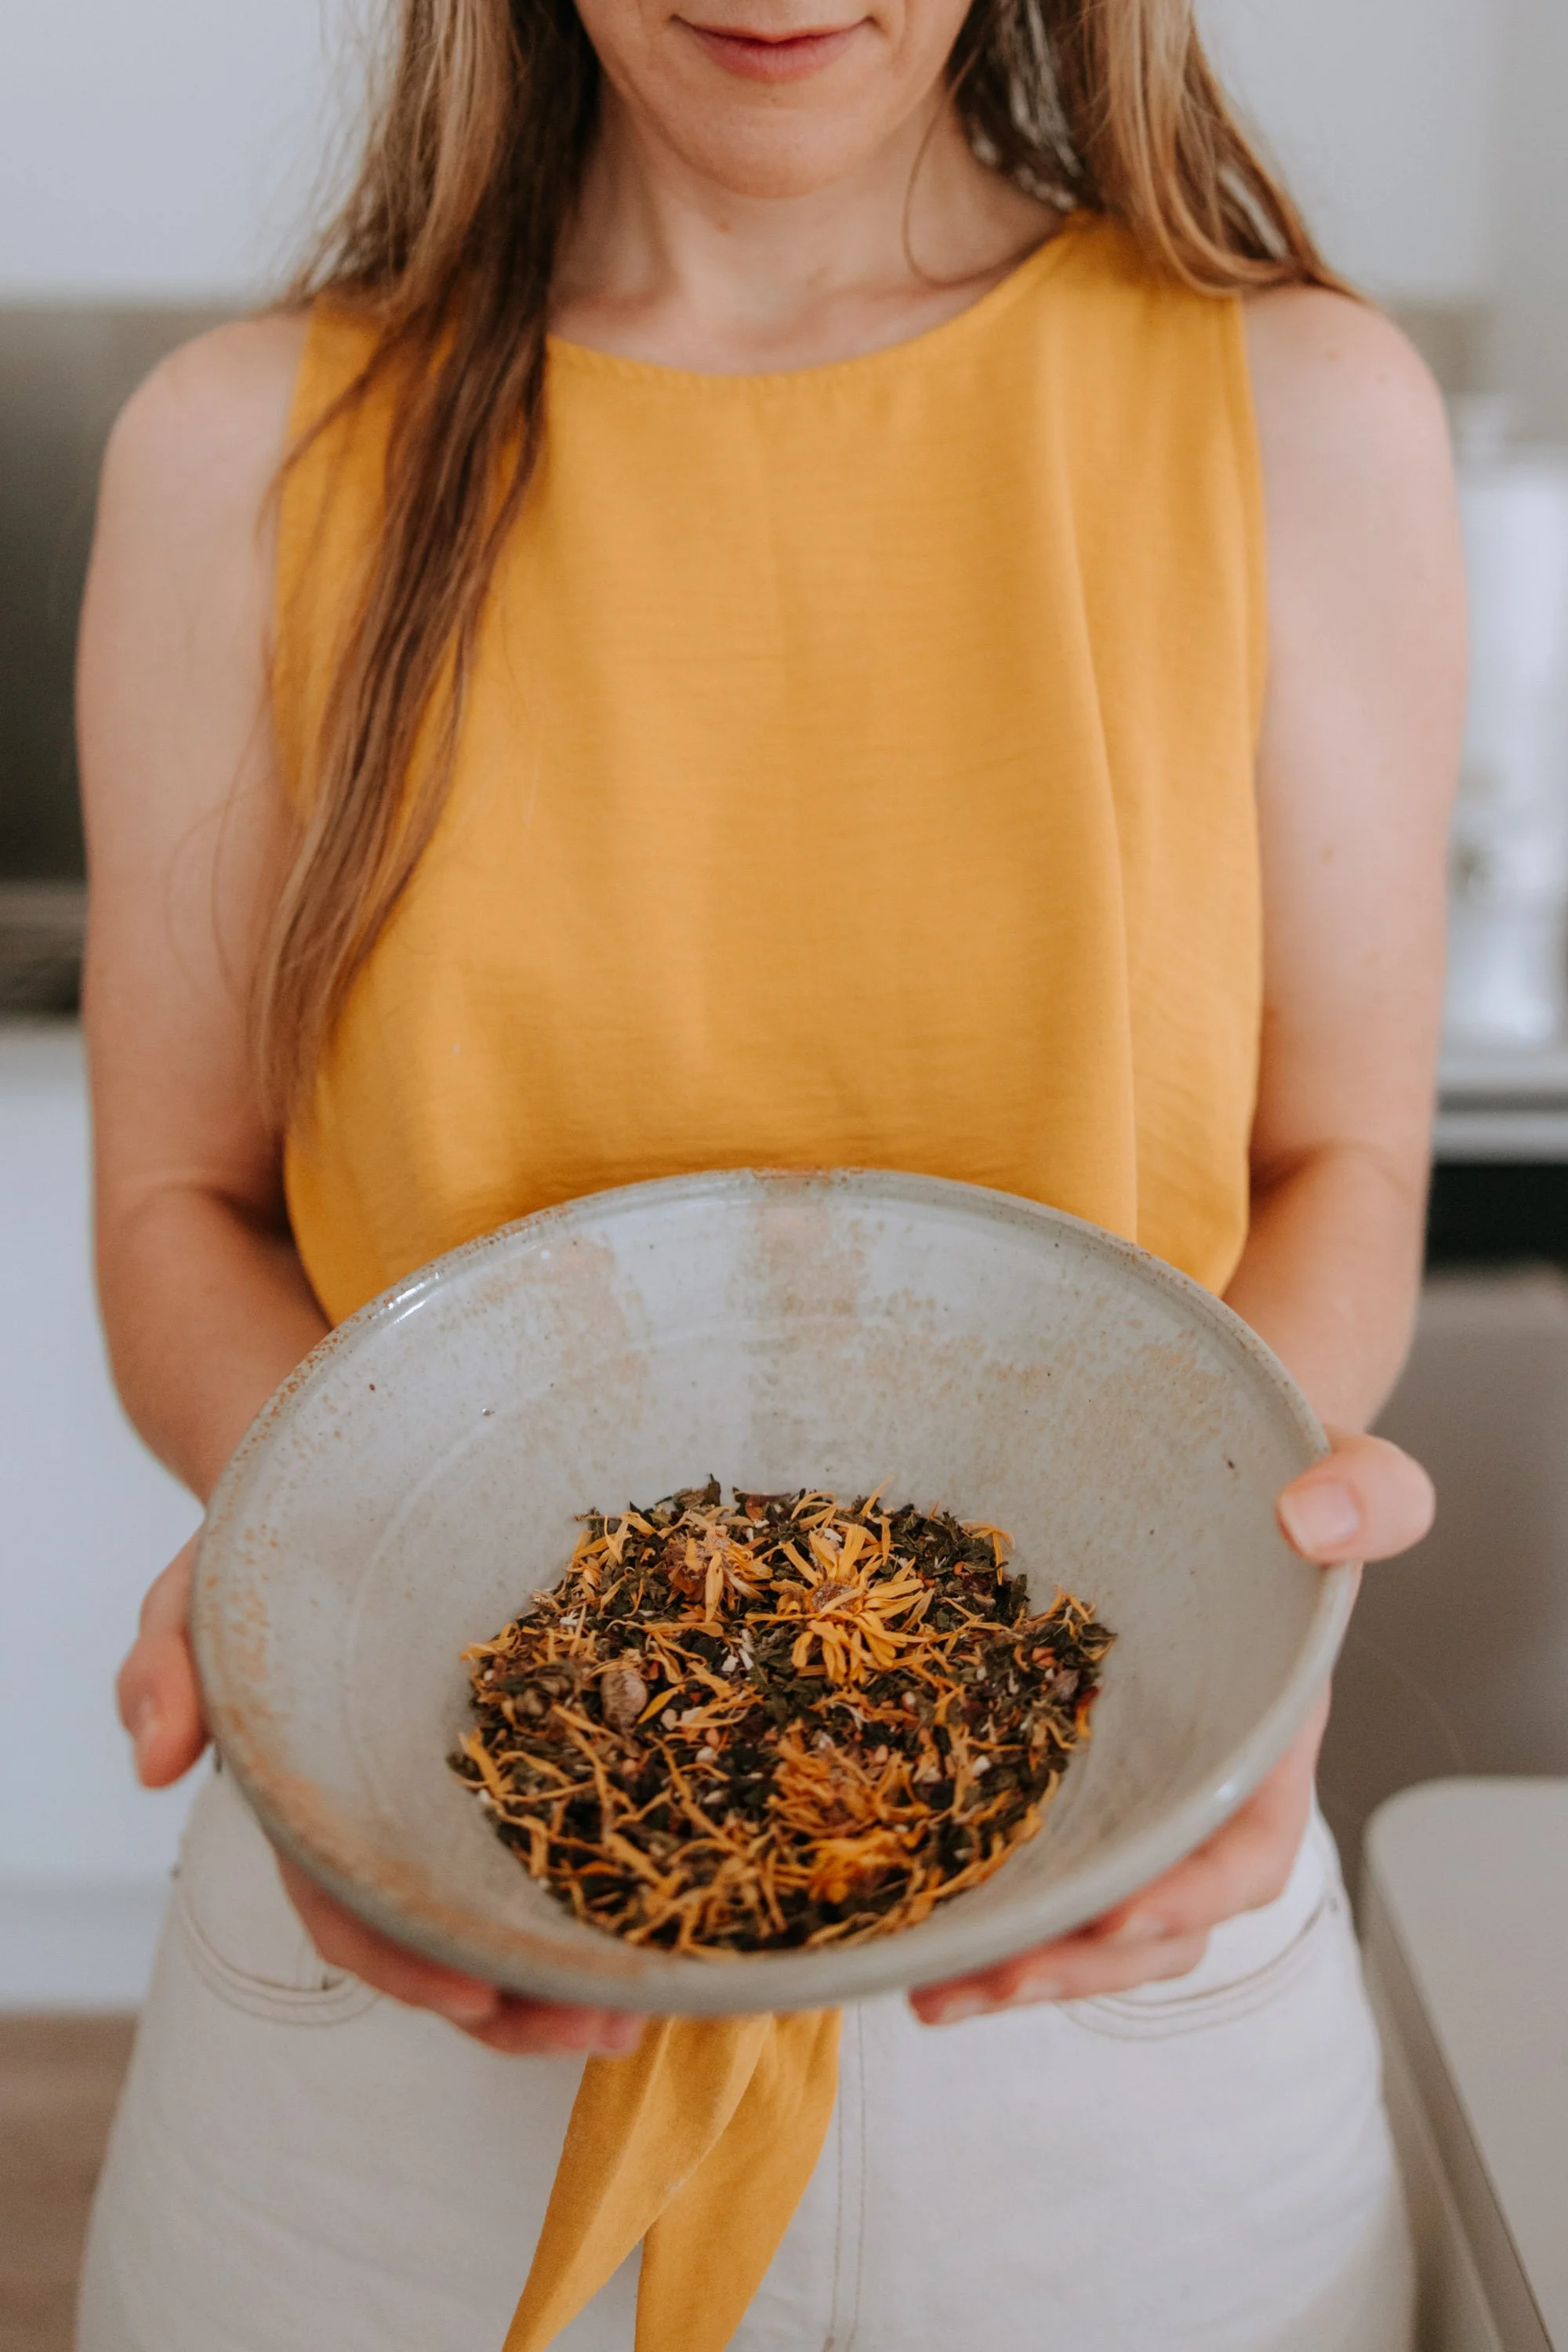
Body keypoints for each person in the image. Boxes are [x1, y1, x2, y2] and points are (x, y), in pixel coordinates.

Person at [75, 0, 1460, 2342]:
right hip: (417, 1985)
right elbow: (172, 1211)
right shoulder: (250, 446)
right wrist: (344, 1581)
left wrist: (1229, 1582)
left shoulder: (1295, 409)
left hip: (1111, 1987)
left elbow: (1337, 1158)